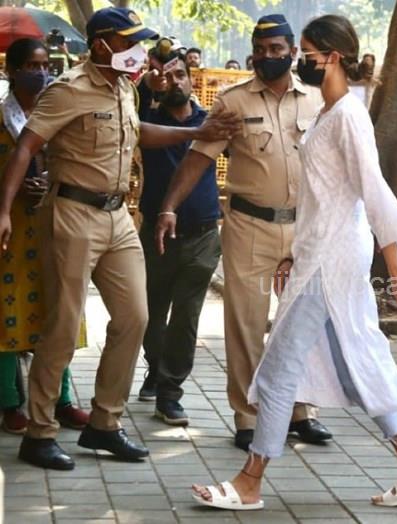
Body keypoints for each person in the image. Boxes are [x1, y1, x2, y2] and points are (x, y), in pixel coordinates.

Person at [186, 14, 397, 510]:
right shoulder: (329, 112)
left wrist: (396, 268)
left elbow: (373, 190)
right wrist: (296, 251)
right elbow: (320, 196)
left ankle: (250, 481)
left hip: (332, 260)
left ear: (333, 57)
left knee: (278, 367)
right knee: (354, 360)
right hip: (318, 253)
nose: (299, 61)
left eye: (307, 53)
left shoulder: (348, 115)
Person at [0, 7, 238, 471]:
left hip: (118, 218)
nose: (137, 50)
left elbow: (138, 133)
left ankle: (105, 423)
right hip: (72, 213)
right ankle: (40, 432)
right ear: (102, 43)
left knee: (135, 317)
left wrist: (195, 132)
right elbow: (27, 145)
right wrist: (4, 210)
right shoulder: (68, 89)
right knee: (62, 325)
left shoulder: (124, 88)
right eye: (129, 42)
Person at [153, 14, 332, 451]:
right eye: (261, 50)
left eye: (276, 49)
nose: (268, 56)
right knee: (246, 327)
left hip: (305, 229)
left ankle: (301, 412)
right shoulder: (232, 102)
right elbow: (198, 158)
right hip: (250, 227)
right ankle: (248, 417)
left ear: (292, 51)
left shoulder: (316, 99)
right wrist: (169, 206)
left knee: (300, 324)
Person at [0, 38, 89, 435]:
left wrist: (50, 180)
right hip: (12, 230)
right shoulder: (1, 118)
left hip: (56, 222)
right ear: (11, 71)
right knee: (6, 312)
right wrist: (13, 189)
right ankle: (10, 403)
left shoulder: (60, 114)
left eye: (44, 65)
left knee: (60, 311)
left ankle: (61, 400)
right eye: (31, 66)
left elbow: (77, 161)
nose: (40, 72)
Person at [136, 49, 222, 426]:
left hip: (203, 235)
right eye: (166, 76)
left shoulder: (210, 122)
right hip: (156, 237)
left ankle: (170, 392)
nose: (174, 81)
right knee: (151, 312)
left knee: (186, 317)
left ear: (191, 79)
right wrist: (147, 83)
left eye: (180, 74)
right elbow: (133, 107)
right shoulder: (147, 121)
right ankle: (155, 368)